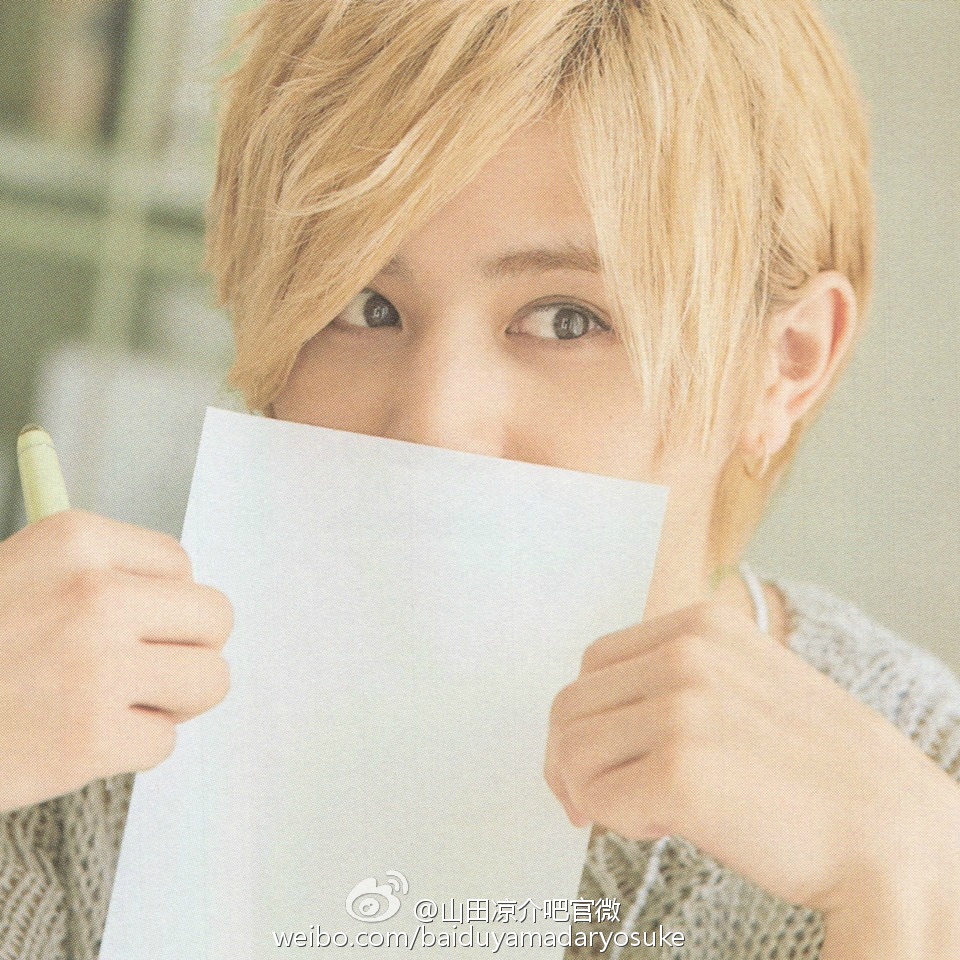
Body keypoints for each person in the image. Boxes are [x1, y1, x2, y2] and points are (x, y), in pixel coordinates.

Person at [1, 1, 958, 958]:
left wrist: (904, 893)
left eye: (567, 319)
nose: (431, 423)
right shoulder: (73, 732)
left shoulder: (928, 782)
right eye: (363, 303)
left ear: (786, 364)